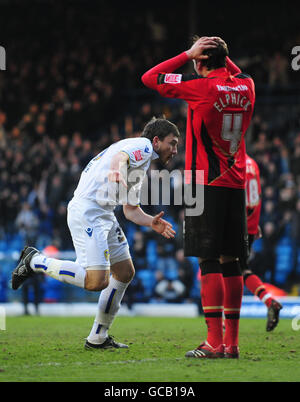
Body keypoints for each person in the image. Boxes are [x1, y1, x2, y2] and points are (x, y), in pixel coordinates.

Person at [12, 117, 179, 350]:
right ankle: (34, 261)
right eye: (172, 143)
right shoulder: (142, 146)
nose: (175, 150)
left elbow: (131, 211)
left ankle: (98, 337)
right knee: (95, 282)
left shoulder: (141, 163)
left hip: (104, 214)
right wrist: (117, 172)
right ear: (157, 140)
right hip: (88, 212)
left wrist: (152, 222)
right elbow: (119, 159)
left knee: (124, 271)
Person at [142, 36, 255, 358]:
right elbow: (235, 73)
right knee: (231, 262)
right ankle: (231, 344)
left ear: (200, 62)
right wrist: (220, 54)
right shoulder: (247, 86)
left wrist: (186, 54)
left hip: (201, 183)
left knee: (208, 262)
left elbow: (149, 78)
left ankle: (213, 342)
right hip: (235, 182)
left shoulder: (200, 87)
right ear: (226, 60)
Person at [242, 153, 282, 331]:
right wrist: (253, 223)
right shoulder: (253, 164)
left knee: (224, 269)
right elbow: (255, 196)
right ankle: (269, 300)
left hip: (238, 225)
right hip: (249, 225)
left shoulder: (235, 163)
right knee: (241, 269)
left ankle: (224, 321)